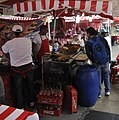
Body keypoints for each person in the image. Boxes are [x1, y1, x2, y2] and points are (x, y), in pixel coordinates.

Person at [2, 25, 34, 109]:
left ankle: (20, 107)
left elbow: (3, 50)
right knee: (30, 85)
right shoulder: (28, 41)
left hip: (17, 69)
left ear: (13, 33)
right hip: (28, 66)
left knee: (18, 88)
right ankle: (32, 102)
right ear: (21, 32)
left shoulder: (9, 43)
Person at [85, 27, 111, 98]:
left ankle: (99, 93)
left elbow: (88, 54)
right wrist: (109, 59)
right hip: (105, 60)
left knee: (98, 77)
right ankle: (107, 91)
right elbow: (108, 48)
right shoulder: (102, 39)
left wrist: (93, 61)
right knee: (106, 76)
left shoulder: (88, 42)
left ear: (89, 33)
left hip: (97, 62)